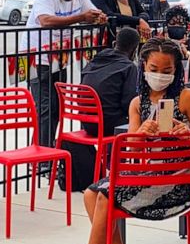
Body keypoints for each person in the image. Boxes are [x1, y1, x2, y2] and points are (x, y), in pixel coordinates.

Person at [56, 37, 190, 244]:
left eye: (167, 71)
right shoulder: (137, 103)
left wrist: (188, 136)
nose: (160, 75)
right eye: (154, 68)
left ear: (176, 71)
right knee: (91, 195)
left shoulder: (187, 98)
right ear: (143, 66)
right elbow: (133, 153)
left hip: (180, 181)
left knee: (103, 196)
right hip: (146, 176)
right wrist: (140, 135)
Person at [22, 0, 107, 151]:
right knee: (45, 106)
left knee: (57, 105)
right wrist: (81, 17)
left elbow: (92, 14)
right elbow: (46, 21)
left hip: (59, 58)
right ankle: (42, 153)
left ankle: (45, 147)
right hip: (37, 57)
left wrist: (99, 17)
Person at [59, 27, 141, 191]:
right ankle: (129, 173)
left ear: (114, 43)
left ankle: (113, 166)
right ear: (135, 49)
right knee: (135, 121)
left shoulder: (94, 61)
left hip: (87, 122)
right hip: (107, 126)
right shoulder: (128, 67)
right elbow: (129, 104)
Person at [160, 5, 190, 81]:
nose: (176, 26)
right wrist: (170, 45)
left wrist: (186, 52)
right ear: (167, 27)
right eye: (172, 24)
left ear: (187, 27)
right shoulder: (160, 45)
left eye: (180, 24)